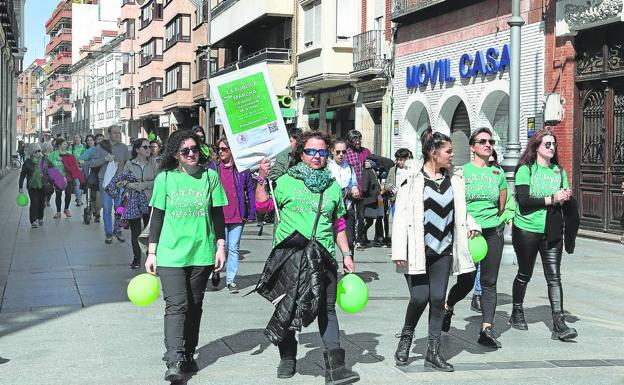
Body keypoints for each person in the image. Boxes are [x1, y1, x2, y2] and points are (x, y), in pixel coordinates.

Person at [255, 131, 359, 384]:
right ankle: (287, 358)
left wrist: (346, 254)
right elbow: (263, 208)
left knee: (327, 309)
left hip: (324, 257)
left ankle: (335, 368)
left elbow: (339, 224)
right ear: (300, 154)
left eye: (322, 151)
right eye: (311, 151)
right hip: (291, 255)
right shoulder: (285, 181)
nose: (316, 156)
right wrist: (261, 180)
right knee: (288, 308)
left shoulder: (332, 186)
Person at [391, 129, 480, 371]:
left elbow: (460, 210)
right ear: (434, 153)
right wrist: (399, 250)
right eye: (448, 151)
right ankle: (407, 337)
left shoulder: (454, 179)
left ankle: (433, 351)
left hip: (443, 250)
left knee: (439, 299)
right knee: (419, 298)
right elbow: (401, 217)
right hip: (417, 250)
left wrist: (472, 225)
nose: (452, 155)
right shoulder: (412, 178)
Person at [145, 129, 227, 382]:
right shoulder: (165, 179)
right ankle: (174, 359)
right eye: (185, 151)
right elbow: (157, 217)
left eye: (195, 149)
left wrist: (221, 246)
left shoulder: (210, 177)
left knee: (194, 305)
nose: (192, 154)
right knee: (176, 304)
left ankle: (189, 353)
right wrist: (151, 252)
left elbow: (217, 216)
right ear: (176, 155)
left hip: (201, 252)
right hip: (170, 254)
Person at [439, 128, 508, 348]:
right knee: (467, 281)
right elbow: (457, 204)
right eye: (483, 141)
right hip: (468, 233)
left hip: (492, 232)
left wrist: (496, 223)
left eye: (491, 141)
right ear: (472, 146)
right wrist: (468, 225)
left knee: (489, 282)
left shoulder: (498, 174)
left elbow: (502, 204)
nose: (488, 145)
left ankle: (486, 328)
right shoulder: (462, 172)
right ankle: (448, 306)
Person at [510, 129, 578, 341]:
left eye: (554, 144)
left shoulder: (559, 171)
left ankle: (559, 323)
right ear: (536, 147)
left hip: (552, 231)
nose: (552, 148)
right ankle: (517, 310)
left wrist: (565, 196)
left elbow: (563, 195)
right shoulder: (526, 170)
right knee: (525, 273)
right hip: (527, 229)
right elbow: (524, 200)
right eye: (547, 144)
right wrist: (552, 198)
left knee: (554, 277)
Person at [210, 136, 256, 293]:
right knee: (219, 246)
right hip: (219, 215)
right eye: (219, 149)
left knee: (234, 247)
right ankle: (216, 271)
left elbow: (250, 189)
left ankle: (231, 280)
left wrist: (251, 211)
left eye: (224, 149)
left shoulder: (243, 169)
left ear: (232, 150)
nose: (221, 152)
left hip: (237, 214)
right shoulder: (214, 168)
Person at [89, 125, 131, 244]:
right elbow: (92, 163)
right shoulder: (100, 147)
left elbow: (128, 163)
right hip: (105, 181)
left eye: (119, 133)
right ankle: (108, 233)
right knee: (107, 208)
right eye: (115, 133)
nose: (117, 135)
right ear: (109, 134)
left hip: (119, 182)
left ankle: (118, 230)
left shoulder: (123, 147)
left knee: (119, 208)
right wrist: (105, 160)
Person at [123, 138, 159, 269]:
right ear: (137, 149)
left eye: (150, 147)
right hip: (134, 202)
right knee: (136, 232)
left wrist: (144, 185)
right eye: (145, 147)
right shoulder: (129, 164)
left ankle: (152, 256)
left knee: (151, 231)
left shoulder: (154, 163)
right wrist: (131, 185)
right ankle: (137, 258)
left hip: (150, 201)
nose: (149, 149)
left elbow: (159, 181)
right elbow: (122, 181)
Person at [327, 139, 360, 257]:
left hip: (347, 207)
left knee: (350, 242)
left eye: (344, 152)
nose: (341, 155)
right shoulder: (327, 167)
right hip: (330, 209)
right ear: (332, 151)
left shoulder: (349, 168)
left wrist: (354, 189)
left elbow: (353, 183)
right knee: (327, 242)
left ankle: (349, 269)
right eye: (338, 152)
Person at [345, 130, 371, 250]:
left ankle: (359, 239)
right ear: (350, 141)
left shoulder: (366, 152)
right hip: (350, 189)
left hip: (364, 188)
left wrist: (372, 165)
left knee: (361, 216)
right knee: (351, 216)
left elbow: (375, 164)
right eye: (355, 139)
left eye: (359, 139)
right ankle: (351, 239)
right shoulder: (347, 153)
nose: (357, 141)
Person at [18, 143, 51, 228]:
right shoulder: (27, 162)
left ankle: (40, 218)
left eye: (39, 151)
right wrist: (20, 186)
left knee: (41, 203)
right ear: (31, 153)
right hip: (32, 187)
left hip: (42, 185)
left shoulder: (44, 160)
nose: (38, 153)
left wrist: (59, 182)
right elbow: (22, 175)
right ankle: (33, 220)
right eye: (35, 151)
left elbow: (52, 171)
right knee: (34, 203)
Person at [48, 138, 74, 219]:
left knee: (68, 193)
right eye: (64, 144)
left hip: (68, 176)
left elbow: (72, 164)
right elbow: (48, 165)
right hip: (57, 177)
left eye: (66, 144)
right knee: (58, 194)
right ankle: (58, 211)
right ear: (59, 145)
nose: (66, 145)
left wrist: (63, 160)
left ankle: (66, 209)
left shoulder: (69, 154)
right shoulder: (53, 154)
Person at [359, 158, 382, 249]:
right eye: (365, 162)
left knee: (370, 219)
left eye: (368, 162)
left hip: (373, 198)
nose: (366, 163)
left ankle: (364, 235)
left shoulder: (372, 170)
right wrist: (365, 192)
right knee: (369, 219)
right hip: (369, 199)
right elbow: (365, 185)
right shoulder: (366, 171)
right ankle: (362, 235)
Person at [384, 148, 413, 215]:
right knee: (395, 222)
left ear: (407, 159)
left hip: (407, 202)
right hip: (395, 200)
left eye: (401, 160)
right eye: (397, 160)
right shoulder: (393, 170)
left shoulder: (412, 170)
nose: (398, 162)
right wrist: (389, 187)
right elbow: (386, 184)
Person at [70, 134, 86, 207]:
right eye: (74, 138)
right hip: (75, 168)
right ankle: (79, 201)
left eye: (77, 137)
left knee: (82, 184)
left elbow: (86, 157)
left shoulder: (84, 147)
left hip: (83, 168)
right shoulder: (71, 147)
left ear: (80, 138)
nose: (76, 139)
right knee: (77, 184)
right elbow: (69, 156)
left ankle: (79, 196)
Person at [41, 142, 54, 207]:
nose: (52, 147)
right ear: (47, 148)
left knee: (50, 189)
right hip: (45, 175)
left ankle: (48, 200)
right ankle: (44, 201)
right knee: (45, 188)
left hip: (51, 175)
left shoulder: (52, 155)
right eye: (51, 146)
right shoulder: (42, 156)